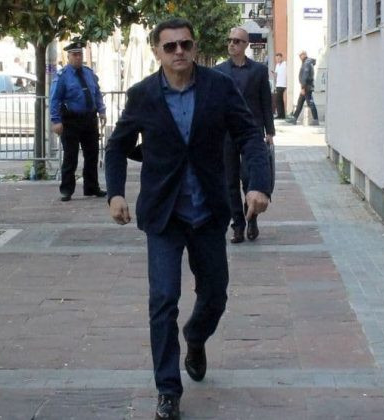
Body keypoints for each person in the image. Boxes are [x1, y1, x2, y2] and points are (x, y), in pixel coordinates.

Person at [104, 18, 271, 420]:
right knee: (163, 301)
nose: (179, 51)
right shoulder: (143, 95)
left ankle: (195, 337)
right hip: (164, 214)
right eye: (170, 46)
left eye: (185, 44)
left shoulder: (218, 87)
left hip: (209, 211)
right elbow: (117, 146)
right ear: (157, 52)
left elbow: (250, 135)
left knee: (215, 295)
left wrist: (258, 185)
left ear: (194, 47)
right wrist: (115, 193)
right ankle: (167, 390)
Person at [214, 27, 275, 244]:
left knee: (250, 179)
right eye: (229, 40)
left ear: (246, 44)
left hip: (252, 133)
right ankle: (238, 225)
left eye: (237, 41)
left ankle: (252, 219)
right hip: (227, 133)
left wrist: (270, 131)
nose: (232, 44)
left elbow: (265, 102)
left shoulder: (258, 71)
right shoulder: (219, 71)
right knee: (229, 181)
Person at [50, 40, 107, 201]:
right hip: (71, 121)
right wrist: (56, 120)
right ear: (68, 57)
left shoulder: (89, 73)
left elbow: (97, 93)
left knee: (92, 155)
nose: (78, 57)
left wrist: (102, 110)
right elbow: (55, 99)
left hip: (89, 119)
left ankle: (91, 187)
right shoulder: (62, 76)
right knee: (71, 156)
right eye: (74, 55)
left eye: (80, 54)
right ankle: (66, 190)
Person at [286, 50, 319, 126]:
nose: (299, 57)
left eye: (300, 55)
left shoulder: (306, 63)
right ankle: (294, 118)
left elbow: (305, 75)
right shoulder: (307, 62)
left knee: (310, 103)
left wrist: (303, 88)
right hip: (306, 86)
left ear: (304, 55)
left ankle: (315, 119)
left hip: (306, 87)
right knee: (300, 102)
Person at [272, 53, 287, 119]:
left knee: (278, 100)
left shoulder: (285, 64)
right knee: (279, 100)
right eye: (276, 59)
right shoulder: (277, 65)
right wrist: (274, 74)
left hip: (284, 84)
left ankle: (281, 115)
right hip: (278, 84)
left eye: (278, 58)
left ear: (281, 57)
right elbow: (276, 75)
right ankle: (281, 115)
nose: (277, 60)